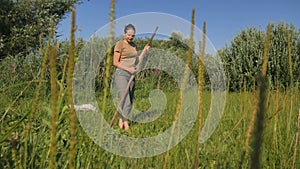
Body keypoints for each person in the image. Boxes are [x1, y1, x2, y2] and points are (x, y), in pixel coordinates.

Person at [113, 24, 150, 130]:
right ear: (125, 33)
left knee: (130, 99)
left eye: (132, 35)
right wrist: (129, 69)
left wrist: (144, 51)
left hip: (131, 75)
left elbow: (137, 61)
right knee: (125, 99)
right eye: (128, 35)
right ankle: (126, 124)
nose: (130, 37)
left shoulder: (134, 46)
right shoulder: (119, 44)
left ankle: (121, 119)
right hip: (121, 74)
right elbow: (115, 62)